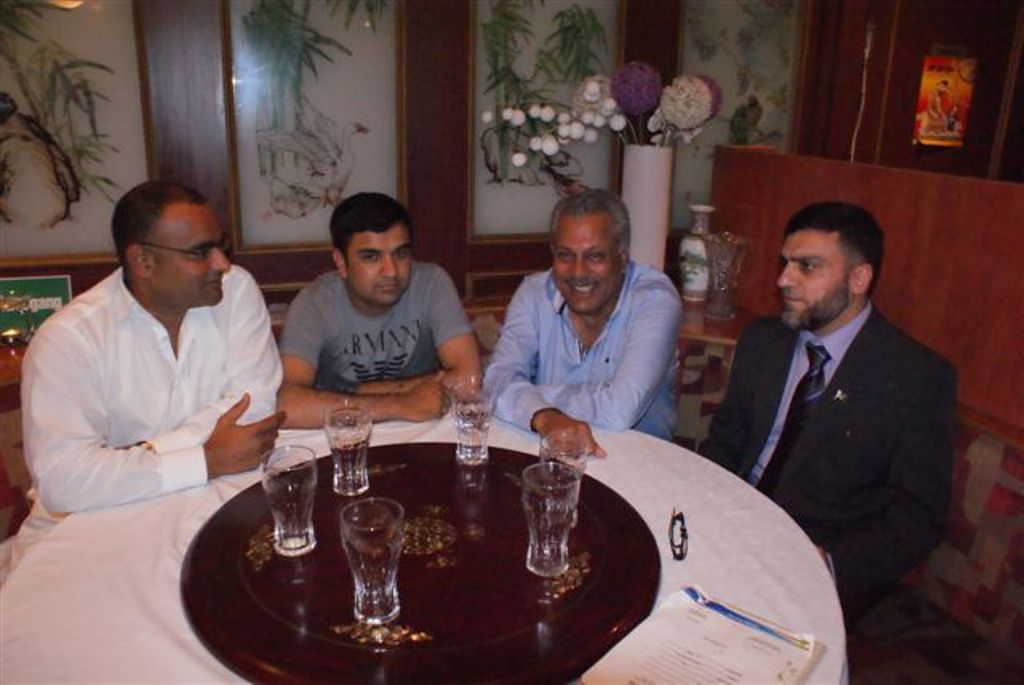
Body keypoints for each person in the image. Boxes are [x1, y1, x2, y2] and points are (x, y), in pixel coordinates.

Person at [701, 201, 955, 628]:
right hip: (732, 529)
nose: (784, 280)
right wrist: (703, 510)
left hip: (817, 558)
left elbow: (918, 516)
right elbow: (726, 440)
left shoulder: (916, 377)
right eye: (785, 263)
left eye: (808, 266)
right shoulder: (763, 340)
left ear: (859, 279)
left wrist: (833, 564)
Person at [20, 181, 285, 527]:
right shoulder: (70, 339)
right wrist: (207, 460)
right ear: (143, 261)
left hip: (208, 503)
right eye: (200, 252)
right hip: (90, 524)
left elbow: (255, 406)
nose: (221, 263)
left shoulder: (235, 291)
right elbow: (64, 481)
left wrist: (142, 454)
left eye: (222, 246)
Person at [484, 189, 682, 455]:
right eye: (565, 256)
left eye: (595, 256)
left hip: (641, 461)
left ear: (623, 257)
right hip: (555, 455)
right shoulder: (534, 293)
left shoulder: (655, 300)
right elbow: (496, 382)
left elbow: (619, 410)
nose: (578, 272)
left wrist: (531, 400)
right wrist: (543, 415)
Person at [277, 192, 480, 427]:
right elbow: (286, 405)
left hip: (421, 426)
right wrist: (401, 403)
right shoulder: (314, 303)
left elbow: (470, 380)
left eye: (400, 254)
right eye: (371, 257)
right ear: (341, 262)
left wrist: (362, 391)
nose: (391, 271)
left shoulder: (431, 283)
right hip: (344, 432)